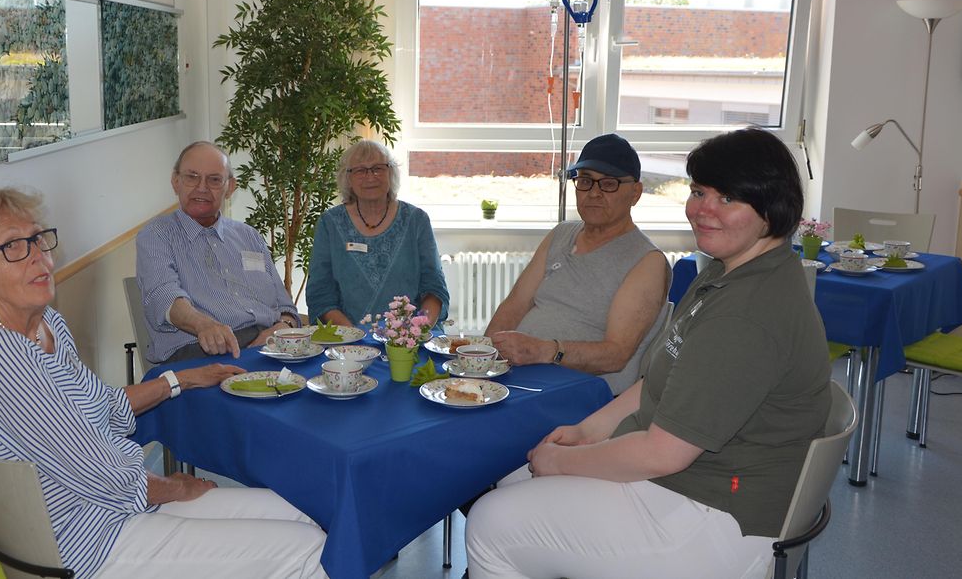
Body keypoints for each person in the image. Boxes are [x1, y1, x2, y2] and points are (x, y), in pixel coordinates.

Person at [465, 128, 832, 578]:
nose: (702, 210)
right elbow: (655, 380)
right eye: (698, 192)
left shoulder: (745, 314)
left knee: (490, 522)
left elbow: (663, 454)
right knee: (512, 482)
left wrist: (563, 460)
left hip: (715, 515)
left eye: (728, 198)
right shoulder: (724, 273)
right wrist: (584, 433)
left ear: (772, 208)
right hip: (696, 482)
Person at [0, 184, 327, 579]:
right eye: (12, 247)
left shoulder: (44, 324)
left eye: (38, 239)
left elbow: (102, 407)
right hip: (89, 544)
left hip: (113, 509)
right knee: (308, 552)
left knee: (301, 517)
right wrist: (177, 487)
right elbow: (102, 473)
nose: (38, 257)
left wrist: (183, 380)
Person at [484, 133, 670, 395]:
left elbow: (616, 355)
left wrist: (543, 350)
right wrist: (483, 356)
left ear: (635, 193)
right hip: (521, 377)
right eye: (584, 181)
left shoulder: (647, 262)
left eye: (608, 184)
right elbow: (514, 305)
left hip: (581, 393)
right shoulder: (562, 234)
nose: (593, 193)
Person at [136, 141, 300, 363]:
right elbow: (164, 296)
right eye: (192, 177)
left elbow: (285, 307)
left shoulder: (249, 236)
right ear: (176, 182)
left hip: (269, 347)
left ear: (230, 187)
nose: (201, 187)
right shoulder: (157, 235)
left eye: (214, 179)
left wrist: (283, 326)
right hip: (201, 352)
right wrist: (204, 325)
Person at [306, 140, 449, 327]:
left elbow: (434, 288)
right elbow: (321, 294)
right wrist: (355, 338)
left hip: (411, 340)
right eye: (360, 170)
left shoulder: (416, 220)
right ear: (347, 178)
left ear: (391, 172)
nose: (370, 176)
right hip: (347, 341)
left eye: (378, 168)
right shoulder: (329, 223)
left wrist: (415, 332)